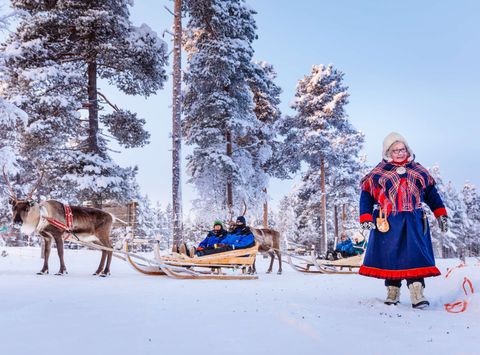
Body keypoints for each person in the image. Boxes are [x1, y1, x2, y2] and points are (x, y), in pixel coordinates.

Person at [359, 132, 448, 308]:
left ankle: (417, 294)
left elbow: (432, 194)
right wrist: (365, 217)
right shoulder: (378, 173)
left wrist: (441, 214)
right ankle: (393, 292)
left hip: (414, 220)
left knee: (414, 256)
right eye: (395, 150)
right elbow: (367, 195)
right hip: (388, 220)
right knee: (390, 255)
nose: (400, 153)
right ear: (387, 152)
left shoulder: (418, 170)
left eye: (403, 149)